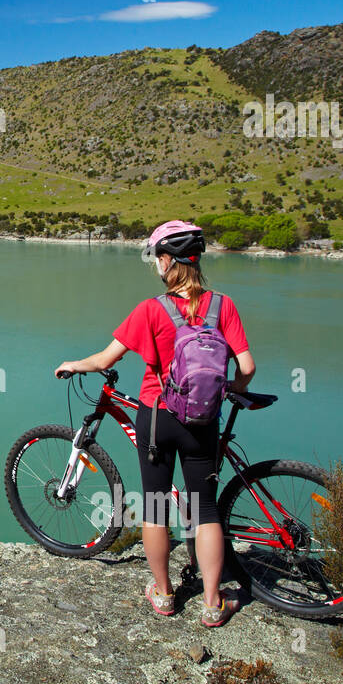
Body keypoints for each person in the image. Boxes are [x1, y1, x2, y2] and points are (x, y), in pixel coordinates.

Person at [54, 220, 255, 627]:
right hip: (202, 421)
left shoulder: (151, 309)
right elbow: (248, 367)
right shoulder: (224, 306)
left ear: (167, 262)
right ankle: (213, 605)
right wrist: (228, 387)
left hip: (156, 417)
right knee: (206, 512)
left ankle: (164, 596)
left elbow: (106, 360)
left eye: (158, 259)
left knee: (155, 507)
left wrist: (74, 365)